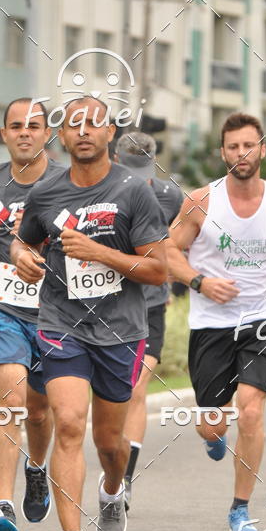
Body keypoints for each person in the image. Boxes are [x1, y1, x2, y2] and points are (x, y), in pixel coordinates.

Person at [11, 97, 168, 531]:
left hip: (121, 331)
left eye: (93, 123)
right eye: (73, 124)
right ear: (61, 136)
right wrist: (21, 255)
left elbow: (158, 269)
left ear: (110, 134)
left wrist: (98, 251)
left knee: (109, 443)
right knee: (71, 423)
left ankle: (113, 491)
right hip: (62, 324)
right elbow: (24, 239)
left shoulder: (133, 192)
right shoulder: (45, 193)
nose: (82, 131)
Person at [168, 111, 266, 531]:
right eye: (232, 146)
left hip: (264, 319)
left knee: (251, 410)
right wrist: (200, 281)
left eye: (248, 145)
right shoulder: (201, 202)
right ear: (223, 152)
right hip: (211, 322)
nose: (240, 153)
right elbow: (167, 252)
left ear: (261, 150)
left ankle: (240, 508)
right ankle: (214, 436)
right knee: (212, 423)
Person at [0, 98, 63, 531]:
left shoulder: (67, 182)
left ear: (48, 135)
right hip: (0, 308)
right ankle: (2, 506)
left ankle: (36, 468)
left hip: (54, 315)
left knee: (41, 413)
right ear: (4, 134)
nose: (25, 132)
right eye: (15, 126)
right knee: (12, 400)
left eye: (34, 126)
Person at [113, 131, 183, 511]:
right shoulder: (98, 192)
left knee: (137, 388)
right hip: (104, 305)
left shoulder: (171, 195)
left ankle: (125, 478)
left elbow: (179, 242)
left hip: (151, 306)